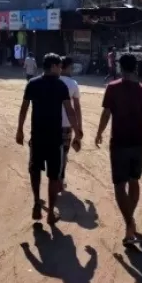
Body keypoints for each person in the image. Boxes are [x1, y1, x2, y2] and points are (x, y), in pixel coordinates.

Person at [95, 53, 142, 246]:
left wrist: (99, 132)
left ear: (120, 67)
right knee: (134, 181)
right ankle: (130, 224)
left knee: (119, 186)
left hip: (119, 143)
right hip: (138, 144)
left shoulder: (112, 88)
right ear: (136, 67)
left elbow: (106, 113)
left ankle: (129, 223)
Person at [16, 53, 84, 224]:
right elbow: (70, 110)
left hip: (37, 136)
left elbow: (24, 109)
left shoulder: (32, 83)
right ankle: (51, 214)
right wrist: (77, 132)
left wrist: (19, 130)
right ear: (53, 66)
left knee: (35, 170)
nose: (61, 69)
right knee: (54, 176)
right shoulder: (60, 85)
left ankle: (36, 202)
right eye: (59, 66)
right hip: (55, 138)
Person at [59, 56, 82, 190]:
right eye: (72, 67)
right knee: (64, 153)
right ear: (66, 67)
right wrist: (79, 128)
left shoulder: (52, 81)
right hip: (67, 125)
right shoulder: (73, 84)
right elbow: (77, 108)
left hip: (50, 124)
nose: (72, 69)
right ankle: (61, 179)